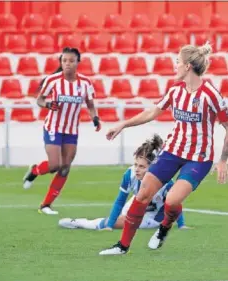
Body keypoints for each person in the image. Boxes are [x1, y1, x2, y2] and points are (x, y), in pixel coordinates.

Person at [99, 42, 228, 255]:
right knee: (142, 195)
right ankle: (122, 246)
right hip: (172, 152)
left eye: (177, 62)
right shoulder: (175, 90)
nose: (174, 66)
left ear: (187, 66)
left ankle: (164, 227)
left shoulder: (210, 95)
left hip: (198, 158)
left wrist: (223, 159)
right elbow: (152, 112)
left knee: (172, 200)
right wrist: (122, 124)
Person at [22, 47, 102, 215]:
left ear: (77, 62)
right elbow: (40, 100)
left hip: (72, 130)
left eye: (71, 61)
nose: (67, 64)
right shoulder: (53, 80)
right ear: (61, 62)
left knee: (65, 168)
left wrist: (95, 118)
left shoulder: (85, 83)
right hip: (53, 127)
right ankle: (35, 170)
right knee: (55, 165)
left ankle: (45, 205)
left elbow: (90, 105)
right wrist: (48, 104)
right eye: (64, 61)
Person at [58, 135, 189, 230]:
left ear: (153, 167)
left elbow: (175, 204)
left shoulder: (165, 181)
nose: (137, 169)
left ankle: (80, 223)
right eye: (136, 164)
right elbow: (120, 201)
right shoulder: (130, 174)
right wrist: (109, 226)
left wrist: (182, 225)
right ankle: (101, 224)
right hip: (137, 201)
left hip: (152, 218)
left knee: (121, 222)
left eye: (142, 167)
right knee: (114, 220)